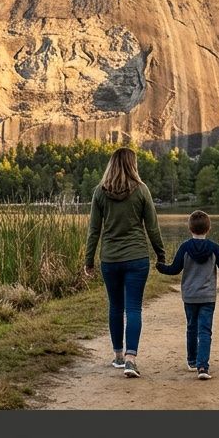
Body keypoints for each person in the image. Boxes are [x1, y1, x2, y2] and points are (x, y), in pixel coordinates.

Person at [84, 147, 166, 378]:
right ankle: (131, 359)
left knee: (115, 307)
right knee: (133, 308)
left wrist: (88, 260)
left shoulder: (100, 192)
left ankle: (118, 356)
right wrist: (161, 254)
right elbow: (152, 226)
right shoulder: (141, 190)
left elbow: (94, 231)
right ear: (133, 165)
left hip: (110, 259)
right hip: (137, 258)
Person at [154, 210, 219, 379]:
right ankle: (203, 367)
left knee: (191, 327)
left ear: (190, 229)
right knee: (205, 330)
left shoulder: (185, 247)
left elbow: (174, 269)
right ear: (208, 229)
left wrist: (160, 266)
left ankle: (192, 361)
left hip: (189, 296)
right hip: (208, 296)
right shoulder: (214, 248)